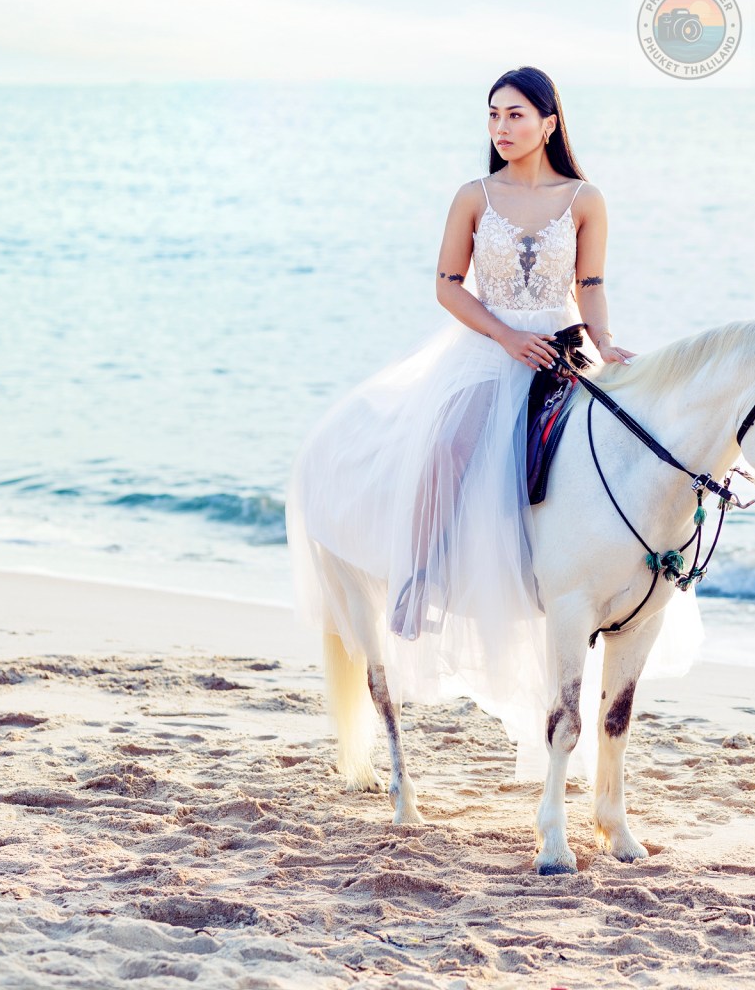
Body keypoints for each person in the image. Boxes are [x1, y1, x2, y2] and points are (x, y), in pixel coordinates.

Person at [286, 66, 682, 779]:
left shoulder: (585, 199)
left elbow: (589, 285)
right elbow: (446, 284)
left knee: (608, 453)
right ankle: (423, 578)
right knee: (451, 443)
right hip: (486, 350)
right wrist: (504, 338)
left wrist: (602, 339)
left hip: (560, 345)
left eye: (517, 115)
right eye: (494, 115)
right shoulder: (475, 196)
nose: (502, 128)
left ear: (550, 124)